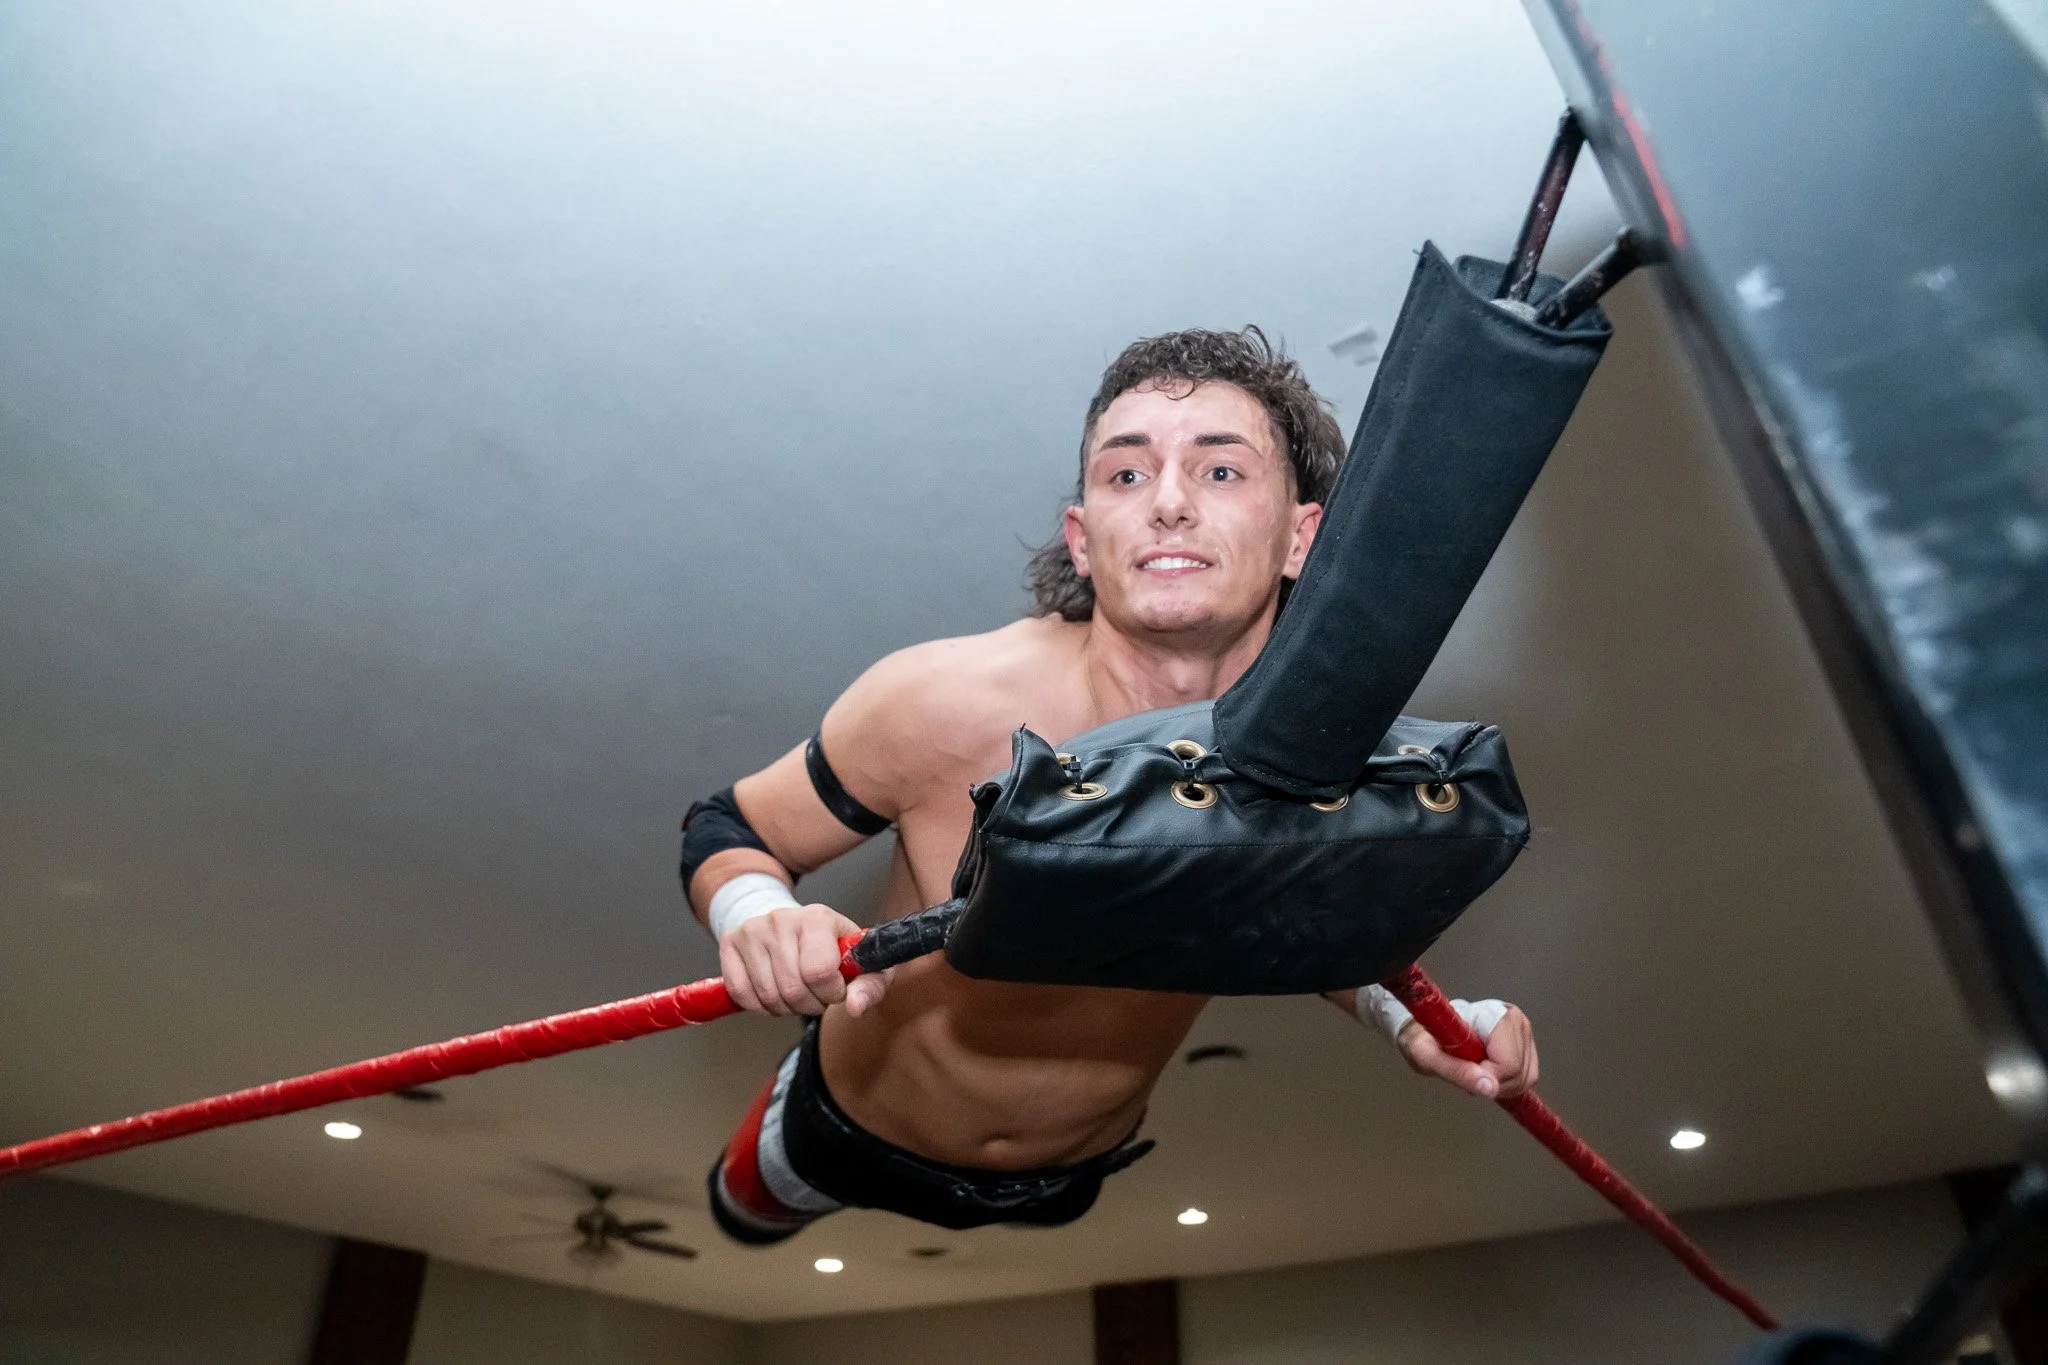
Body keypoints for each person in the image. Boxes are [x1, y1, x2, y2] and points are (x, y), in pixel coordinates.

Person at [681, 327, 1539, 1244]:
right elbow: (730, 825)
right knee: (735, 1219)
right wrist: (757, 916)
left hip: (1075, 1171)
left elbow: (1303, 920)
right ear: (1083, 538)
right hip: (843, 1127)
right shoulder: (943, 701)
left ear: (1302, 537)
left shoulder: (1322, 756)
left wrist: (1419, 1016)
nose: (1168, 503)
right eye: (1127, 473)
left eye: (1220, 470)